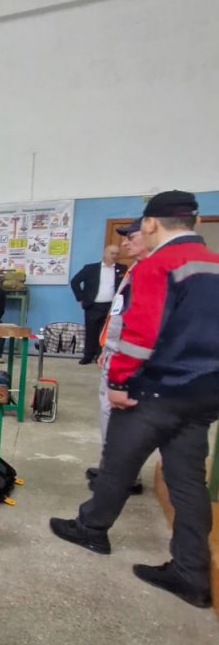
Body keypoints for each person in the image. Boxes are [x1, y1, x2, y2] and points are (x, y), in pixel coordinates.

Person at [49, 191, 219, 609]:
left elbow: (141, 333)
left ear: (151, 223)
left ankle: (91, 529)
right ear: (195, 222)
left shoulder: (157, 265)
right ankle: (192, 573)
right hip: (202, 393)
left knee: (116, 465)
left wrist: (120, 380)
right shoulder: (214, 264)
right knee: (188, 483)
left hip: (154, 390)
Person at [86, 220, 147, 494]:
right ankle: (114, 470)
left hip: (128, 358)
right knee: (110, 417)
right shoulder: (135, 268)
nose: (124, 243)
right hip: (116, 352)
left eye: (131, 237)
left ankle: (123, 477)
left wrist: (121, 361)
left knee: (122, 418)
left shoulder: (151, 271)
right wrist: (107, 348)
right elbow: (120, 314)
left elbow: (141, 324)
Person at [69, 244, 126, 364]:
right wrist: (81, 298)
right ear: (105, 253)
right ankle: (88, 355)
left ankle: (102, 356)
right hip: (93, 306)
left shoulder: (122, 269)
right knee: (91, 331)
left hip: (111, 307)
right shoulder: (90, 268)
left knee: (108, 333)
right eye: (112, 253)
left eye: (117, 254)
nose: (114, 256)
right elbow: (75, 281)